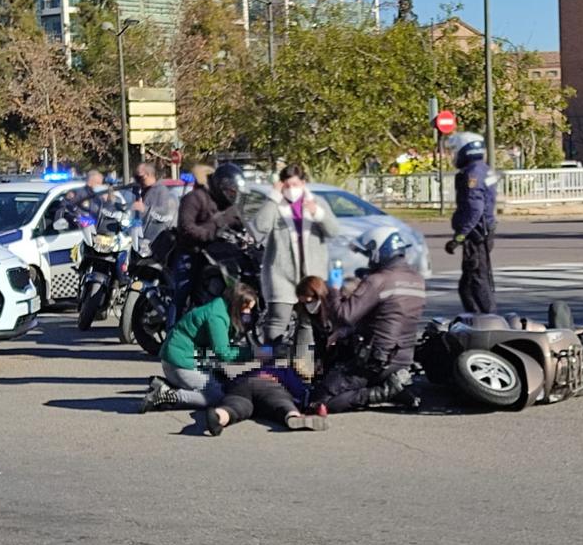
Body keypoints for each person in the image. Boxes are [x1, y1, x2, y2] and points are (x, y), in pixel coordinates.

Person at [309, 226, 426, 413]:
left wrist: (334, 288)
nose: (369, 259)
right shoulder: (417, 279)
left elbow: (344, 316)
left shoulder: (378, 280)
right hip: (403, 358)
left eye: (369, 253)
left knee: (319, 400)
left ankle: (383, 392)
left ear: (380, 251)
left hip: (373, 361)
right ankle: (398, 388)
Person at [252, 163, 340, 345]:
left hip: (311, 276)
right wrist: (273, 197)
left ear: (303, 183)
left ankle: (302, 367)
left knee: (307, 324)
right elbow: (260, 227)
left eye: (296, 185)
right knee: (276, 322)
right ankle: (265, 363)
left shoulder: (316, 202)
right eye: (287, 185)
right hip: (281, 274)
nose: (292, 190)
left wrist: (319, 214)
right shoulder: (276, 204)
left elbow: (334, 231)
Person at [142, 283, 259, 412]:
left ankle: (165, 385)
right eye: (245, 308)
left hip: (182, 359)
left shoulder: (221, 307)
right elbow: (224, 353)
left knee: (223, 382)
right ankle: (168, 395)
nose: (247, 313)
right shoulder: (217, 317)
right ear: (236, 303)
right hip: (179, 364)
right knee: (216, 396)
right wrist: (259, 353)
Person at [175, 163, 248, 310]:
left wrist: (250, 236)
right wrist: (212, 233)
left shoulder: (231, 206)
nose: (233, 195)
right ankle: (173, 329)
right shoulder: (195, 198)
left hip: (219, 255)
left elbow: (244, 223)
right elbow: (186, 227)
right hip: (192, 252)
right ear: (221, 187)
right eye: (231, 191)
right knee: (182, 292)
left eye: (235, 192)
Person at [445, 131, 498, 313]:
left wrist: (460, 236)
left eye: (455, 151)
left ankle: (488, 321)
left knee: (476, 281)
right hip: (482, 232)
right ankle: (479, 320)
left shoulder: (472, 174)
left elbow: (475, 209)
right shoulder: (482, 168)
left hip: (476, 235)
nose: (454, 155)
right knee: (468, 285)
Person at [202, 366, 328, 436]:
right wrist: (308, 406)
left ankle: (219, 416)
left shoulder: (252, 371)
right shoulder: (288, 373)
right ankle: (293, 417)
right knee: (281, 403)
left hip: (242, 386)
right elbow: (301, 394)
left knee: (236, 407)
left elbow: (229, 386)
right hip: (269, 386)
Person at [131, 162, 179, 247]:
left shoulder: (161, 190)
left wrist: (145, 209)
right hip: (139, 233)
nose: (137, 180)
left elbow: (164, 211)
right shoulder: (141, 190)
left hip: (154, 238)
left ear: (148, 174)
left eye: (139, 177)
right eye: (136, 177)